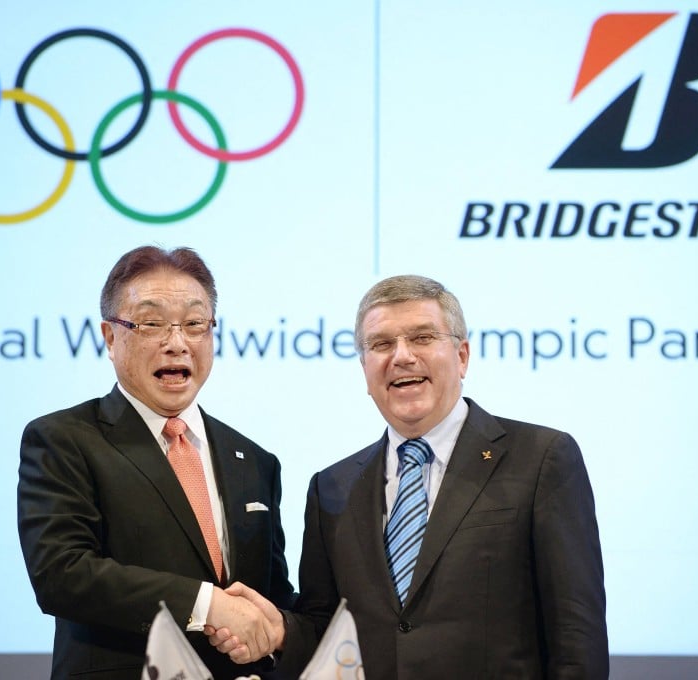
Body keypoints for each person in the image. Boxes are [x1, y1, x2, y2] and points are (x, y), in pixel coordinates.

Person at [215, 274, 609, 678]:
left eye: (422, 338)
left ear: (462, 356)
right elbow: (327, 633)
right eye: (381, 344)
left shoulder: (541, 459)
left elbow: (577, 638)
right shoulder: (331, 488)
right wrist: (282, 631)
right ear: (364, 368)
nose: (401, 356)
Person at [17, 245, 295, 680]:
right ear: (111, 338)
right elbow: (63, 575)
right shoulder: (64, 439)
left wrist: (280, 630)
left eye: (194, 324)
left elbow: (271, 595)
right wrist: (206, 605)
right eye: (152, 324)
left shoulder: (255, 460)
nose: (177, 343)